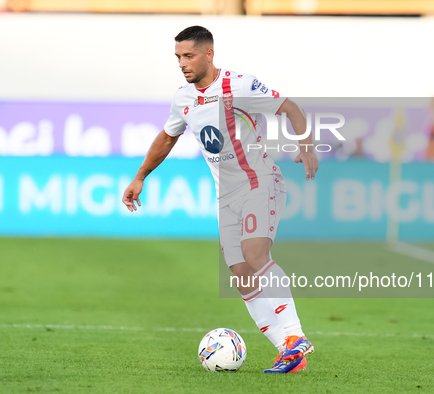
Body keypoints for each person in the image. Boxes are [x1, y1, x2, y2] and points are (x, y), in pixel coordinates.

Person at [122, 26, 318, 373]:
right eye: (178, 57)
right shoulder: (183, 98)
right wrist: (140, 176)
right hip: (226, 195)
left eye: (189, 56)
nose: (183, 63)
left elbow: (290, 108)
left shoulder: (239, 86)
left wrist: (306, 145)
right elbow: (167, 137)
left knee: (255, 253)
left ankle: (296, 335)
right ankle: (289, 354)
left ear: (209, 54)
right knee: (241, 273)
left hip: (259, 182)